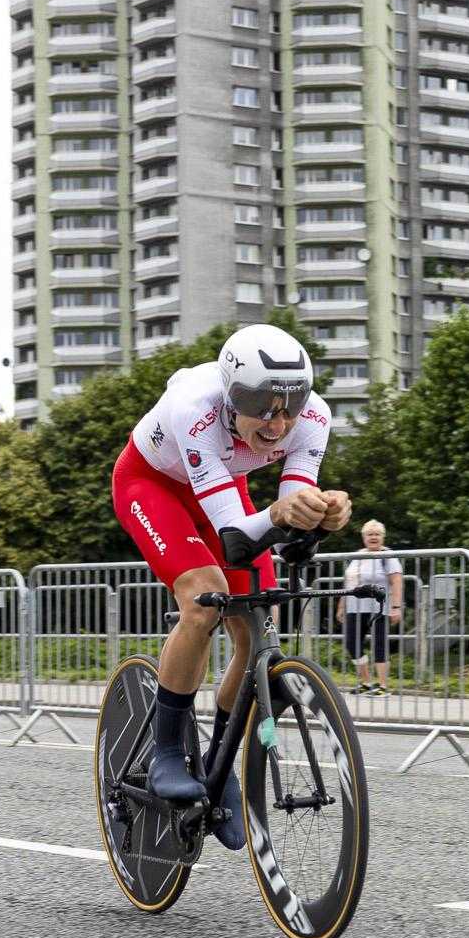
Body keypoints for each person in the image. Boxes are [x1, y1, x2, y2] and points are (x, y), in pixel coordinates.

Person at [112, 323, 352, 850]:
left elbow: (289, 517)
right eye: (262, 406)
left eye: (289, 407)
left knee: (259, 620)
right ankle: (166, 752)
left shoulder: (315, 418)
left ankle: (219, 763)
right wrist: (283, 513)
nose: (277, 423)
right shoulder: (194, 407)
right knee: (204, 599)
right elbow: (235, 534)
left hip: (221, 486)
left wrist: (321, 515)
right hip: (151, 484)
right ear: (230, 394)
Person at [339, 520, 404, 696]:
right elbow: (349, 582)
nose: (373, 537)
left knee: (379, 645)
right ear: (363, 537)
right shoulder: (357, 555)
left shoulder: (387, 555)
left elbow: (396, 581)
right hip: (354, 607)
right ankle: (366, 682)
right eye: (370, 534)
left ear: (383, 537)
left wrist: (396, 607)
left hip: (379, 607)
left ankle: (383, 686)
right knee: (352, 644)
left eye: (377, 534)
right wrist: (341, 605)